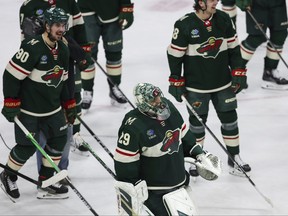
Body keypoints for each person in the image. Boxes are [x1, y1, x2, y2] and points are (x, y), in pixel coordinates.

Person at [167, 0, 251, 177]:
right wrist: (175, 79)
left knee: (230, 120)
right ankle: (197, 159)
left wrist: (239, 71)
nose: (216, 2)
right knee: (197, 125)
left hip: (223, 83)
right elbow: (175, 54)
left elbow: (234, 48)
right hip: (196, 85)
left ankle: (234, 158)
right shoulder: (185, 24)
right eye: (211, 0)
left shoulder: (223, 19)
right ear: (200, 2)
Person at [0, 7, 76, 200]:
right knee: (26, 147)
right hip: (29, 110)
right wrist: (10, 101)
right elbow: (10, 75)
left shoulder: (64, 48)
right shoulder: (32, 46)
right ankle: (8, 175)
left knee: (59, 140)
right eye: (57, 25)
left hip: (53, 108)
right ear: (47, 26)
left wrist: (69, 104)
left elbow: (65, 80)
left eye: (64, 25)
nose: (61, 29)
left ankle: (47, 180)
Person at [114, 83, 221, 215]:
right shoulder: (133, 126)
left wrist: (199, 154)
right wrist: (132, 186)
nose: (159, 101)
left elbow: (185, 137)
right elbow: (124, 164)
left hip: (180, 184)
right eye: (154, 100)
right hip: (155, 192)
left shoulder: (169, 107)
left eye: (159, 96)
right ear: (143, 102)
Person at [19, 0, 93, 160]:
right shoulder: (29, 5)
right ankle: (47, 163)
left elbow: (79, 24)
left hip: (67, 58)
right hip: (44, 65)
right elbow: (29, 37)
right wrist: (79, 52)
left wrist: (83, 50)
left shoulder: (68, 1)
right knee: (50, 106)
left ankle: (75, 133)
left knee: (73, 95)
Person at [77, 0, 134, 109]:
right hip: (85, 11)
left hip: (112, 11)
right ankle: (87, 91)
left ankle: (115, 88)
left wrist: (127, 7)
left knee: (114, 52)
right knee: (87, 55)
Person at [221, 0, 288, 90]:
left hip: (278, 4)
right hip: (257, 3)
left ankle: (270, 72)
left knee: (279, 35)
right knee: (257, 37)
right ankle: (234, 71)